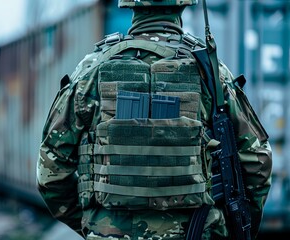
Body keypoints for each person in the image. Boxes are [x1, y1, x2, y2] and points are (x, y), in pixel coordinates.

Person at [37, 0, 272, 239]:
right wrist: (238, 224)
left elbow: (51, 169)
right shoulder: (211, 71)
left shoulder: (92, 69)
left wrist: (93, 224)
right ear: (183, 5)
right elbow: (257, 161)